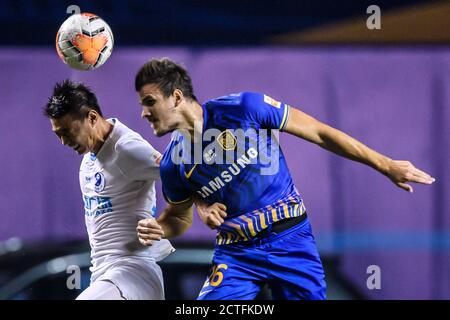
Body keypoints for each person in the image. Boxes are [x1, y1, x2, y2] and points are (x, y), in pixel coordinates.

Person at [134, 58, 435, 300]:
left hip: (291, 240)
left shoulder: (244, 108)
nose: (144, 113)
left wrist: (385, 164)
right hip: (237, 255)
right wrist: (158, 228)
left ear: (176, 97)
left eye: (149, 101)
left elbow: (320, 132)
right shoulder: (173, 164)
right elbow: (178, 218)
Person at [44, 79, 177, 300]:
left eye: (67, 131)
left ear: (92, 118)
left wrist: (169, 220)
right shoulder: (88, 159)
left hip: (132, 273)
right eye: (57, 134)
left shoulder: (126, 148)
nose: (63, 141)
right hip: (105, 276)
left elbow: (184, 177)